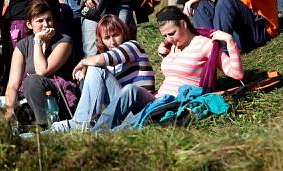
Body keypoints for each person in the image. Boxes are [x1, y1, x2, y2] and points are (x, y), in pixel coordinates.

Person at [91, 7, 242, 130]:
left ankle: (94, 137)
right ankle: (96, 131)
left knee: (127, 125)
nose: (169, 39)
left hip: (175, 101)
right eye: (165, 36)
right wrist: (164, 54)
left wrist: (229, 41)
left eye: (172, 33)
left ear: (183, 24)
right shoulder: (172, 47)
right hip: (156, 98)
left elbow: (236, 73)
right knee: (130, 92)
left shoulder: (204, 45)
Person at [51, 14, 155, 132]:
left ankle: (80, 124)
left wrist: (84, 63)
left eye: (116, 35)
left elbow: (104, 59)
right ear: (101, 40)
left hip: (140, 107)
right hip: (119, 111)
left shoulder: (133, 46)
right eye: (107, 38)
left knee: (96, 68)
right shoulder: (107, 68)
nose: (113, 42)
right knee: (57, 129)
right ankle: (37, 134)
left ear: (124, 33)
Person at [4, 0, 75, 126]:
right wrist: (10, 110)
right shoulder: (22, 45)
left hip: (56, 99)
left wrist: (37, 40)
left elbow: (42, 71)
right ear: (29, 24)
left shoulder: (64, 41)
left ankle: (46, 128)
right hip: (27, 100)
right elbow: (12, 86)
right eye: (40, 21)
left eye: (49, 19)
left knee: (32, 81)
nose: (46, 25)